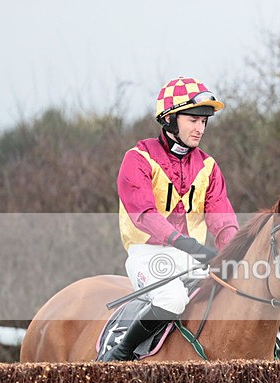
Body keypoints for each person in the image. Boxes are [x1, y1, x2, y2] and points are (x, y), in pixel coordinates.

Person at [99, 77, 239, 362]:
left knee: (234, 295)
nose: (200, 128)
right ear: (170, 119)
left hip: (191, 259)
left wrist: (234, 251)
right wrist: (185, 243)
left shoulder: (209, 167)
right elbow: (144, 214)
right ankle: (119, 354)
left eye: (204, 122)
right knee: (171, 299)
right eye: (193, 120)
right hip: (148, 255)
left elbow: (222, 219)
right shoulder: (138, 158)